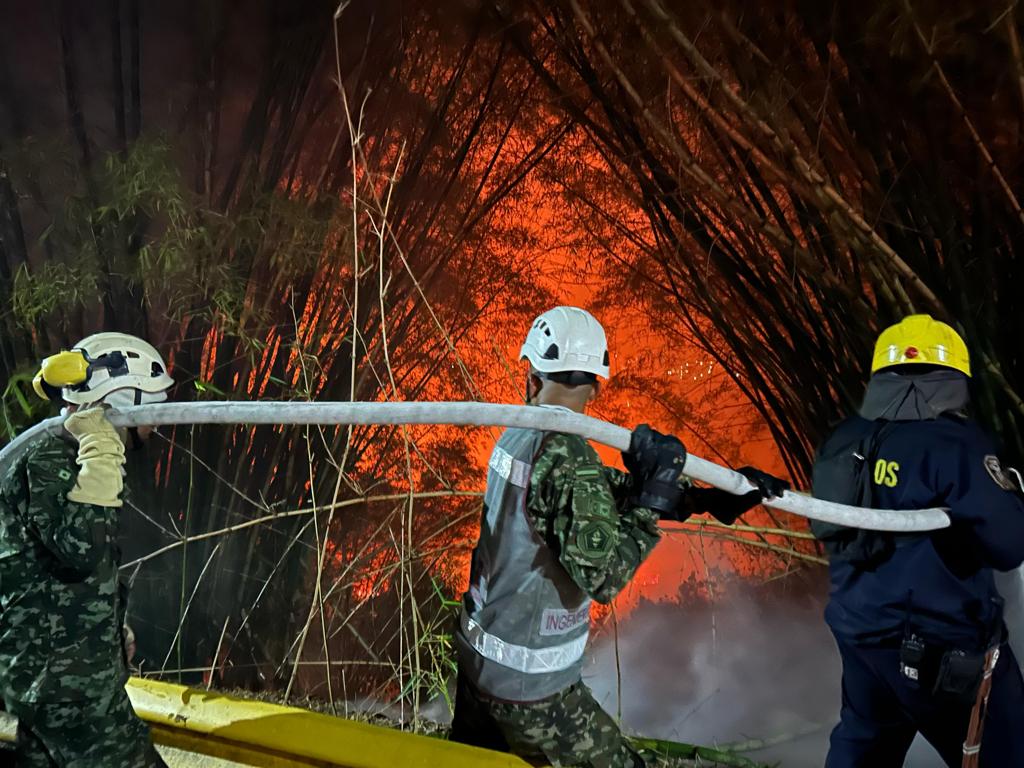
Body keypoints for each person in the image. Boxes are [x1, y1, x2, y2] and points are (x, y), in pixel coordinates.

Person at [449, 306, 788, 767]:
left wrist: (703, 497)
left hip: (480, 668)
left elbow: (596, 494)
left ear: (532, 377)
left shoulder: (520, 435)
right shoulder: (569, 457)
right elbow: (605, 576)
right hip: (530, 692)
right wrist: (649, 507)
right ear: (596, 387)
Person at [811, 314, 1024, 767]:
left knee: (863, 749)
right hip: (945, 652)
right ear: (952, 379)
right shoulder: (954, 445)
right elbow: (1009, 545)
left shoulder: (843, 440)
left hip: (862, 643)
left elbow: (827, 526)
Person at [0, 332, 173, 767]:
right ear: (121, 401)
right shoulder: (52, 459)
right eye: (153, 408)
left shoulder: (68, 456)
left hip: (60, 676)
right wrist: (101, 453)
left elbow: (59, 577)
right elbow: (81, 549)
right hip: (65, 688)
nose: (158, 423)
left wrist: (110, 630)